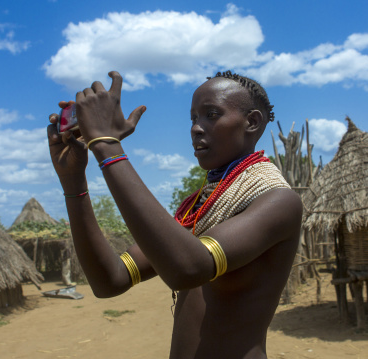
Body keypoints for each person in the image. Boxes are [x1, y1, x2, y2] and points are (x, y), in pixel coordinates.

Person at [47, 70, 302, 358]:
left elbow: (189, 269)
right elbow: (110, 280)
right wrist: (73, 181)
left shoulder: (278, 202)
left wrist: (106, 145)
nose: (196, 128)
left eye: (212, 114)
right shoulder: (199, 209)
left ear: (252, 122)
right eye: (193, 118)